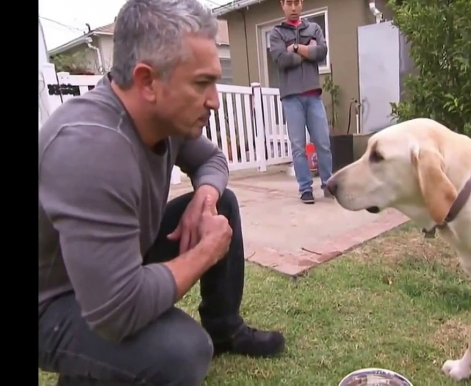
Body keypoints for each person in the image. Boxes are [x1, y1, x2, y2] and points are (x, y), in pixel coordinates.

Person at [38, 0, 285, 384]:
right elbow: (117, 310)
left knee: (223, 203)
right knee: (179, 351)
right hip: (53, 305)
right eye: (202, 83)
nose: (215, 101)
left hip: (115, 265)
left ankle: (224, 328)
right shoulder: (90, 148)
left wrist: (205, 198)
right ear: (147, 81)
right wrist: (206, 251)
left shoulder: (162, 120)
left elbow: (213, 161)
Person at [269, 0, 334, 204]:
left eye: (297, 2)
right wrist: (307, 51)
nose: (294, 7)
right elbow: (282, 60)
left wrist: (295, 48)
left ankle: (328, 185)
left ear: (301, 4)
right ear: (283, 5)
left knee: (323, 142)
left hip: (313, 95)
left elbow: (321, 53)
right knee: (298, 146)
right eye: (289, 3)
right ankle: (305, 189)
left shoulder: (313, 28)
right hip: (291, 97)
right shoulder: (276, 33)